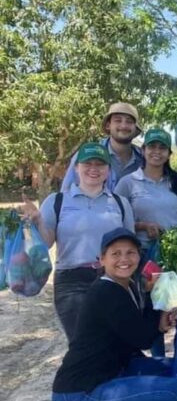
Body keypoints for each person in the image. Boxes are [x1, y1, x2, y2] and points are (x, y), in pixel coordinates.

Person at [51, 228, 177, 401]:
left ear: (139, 256)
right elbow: (142, 338)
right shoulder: (106, 291)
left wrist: (156, 307)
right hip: (78, 396)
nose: (124, 259)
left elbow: (138, 329)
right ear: (101, 260)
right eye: (115, 253)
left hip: (111, 374)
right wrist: (158, 312)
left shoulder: (128, 285)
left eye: (131, 252)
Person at [20, 143, 135, 343]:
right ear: (76, 168)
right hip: (72, 282)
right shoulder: (57, 201)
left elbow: (130, 247)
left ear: (108, 170)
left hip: (112, 280)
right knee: (83, 344)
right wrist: (38, 221)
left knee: (114, 343)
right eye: (87, 163)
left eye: (100, 164)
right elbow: (46, 244)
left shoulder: (120, 203)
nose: (93, 169)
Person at [115, 128, 177, 253]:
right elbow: (116, 221)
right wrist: (143, 226)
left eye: (162, 148)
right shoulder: (128, 182)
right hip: (143, 251)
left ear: (169, 154)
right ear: (143, 151)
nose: (157, 152)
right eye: (152, 147)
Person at [61, 102, 144, 191]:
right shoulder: (86, 155)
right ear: (108, 125)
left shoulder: (144, 159)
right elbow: (66, 193)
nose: (123, 126)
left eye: (129, 121)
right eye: (118, 120)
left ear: (135, 127)